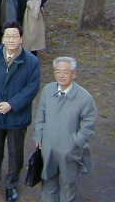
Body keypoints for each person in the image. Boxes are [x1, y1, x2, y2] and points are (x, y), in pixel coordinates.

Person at [0, 22, 40, 202]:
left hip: (17, 116)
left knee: (15, 153)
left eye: (15, 36)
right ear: (2, 38)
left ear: (21, 39)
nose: (11, 40)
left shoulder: (32, 62)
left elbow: (32, 88)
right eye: (8, 36)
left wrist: (12, 104)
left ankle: (11, 185)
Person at [34, 57, 97, 202]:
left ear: (74, 74)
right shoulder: (48, 90)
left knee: (68, 185)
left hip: (69, 151)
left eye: (65, 72)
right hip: (48, 148)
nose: (61, 75)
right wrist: (38, 136)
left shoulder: (85, 98)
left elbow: (89, 124)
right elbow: (40, 115)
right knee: (48, 182)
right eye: (57, 72)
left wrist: (76, 142)